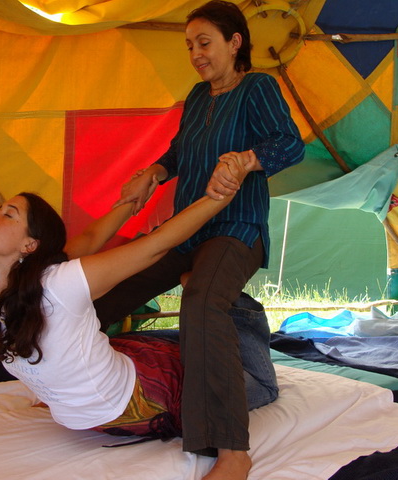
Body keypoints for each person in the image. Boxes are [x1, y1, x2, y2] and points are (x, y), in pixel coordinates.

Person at [92, 1, 305, 478]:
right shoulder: (196, 96)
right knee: (106, 288)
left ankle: (232, 451)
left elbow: (291, 143)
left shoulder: (257, 87)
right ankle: (85, 391)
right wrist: (154, 173)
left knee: (202, 301)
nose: (196, 54)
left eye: (204, 43)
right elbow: (179, 152)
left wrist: (248, 159)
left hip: (236, 229)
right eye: (190, 45)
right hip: (187, 228)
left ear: (235, 43)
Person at [0, 155, 275, 480]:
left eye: (7, 214)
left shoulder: (58, 283)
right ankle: (201, 320)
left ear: (30, 244)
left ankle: (239, 312)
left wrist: (221, 196)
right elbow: (87, 241)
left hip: (154, 393)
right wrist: (130, 202)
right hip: (115, 383)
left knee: (259, 385)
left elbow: (157, 245)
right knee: (181, 342)